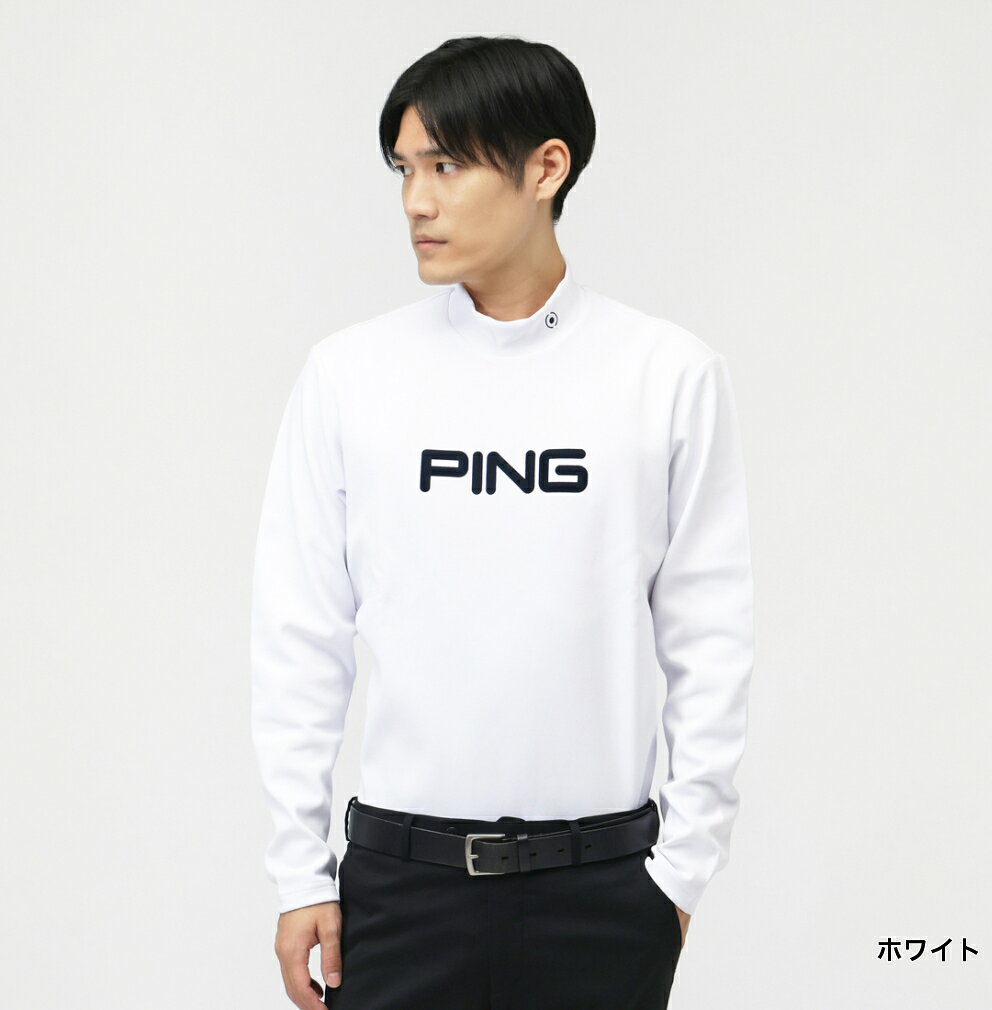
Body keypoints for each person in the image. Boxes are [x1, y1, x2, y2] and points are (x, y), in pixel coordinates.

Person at [250, 35, 755, 1010]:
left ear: (545, 168)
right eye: (404, 169)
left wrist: (680, 874)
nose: (416, 201)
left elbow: (710, 637)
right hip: (398, 891)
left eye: (445, 165)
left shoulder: (665, 375)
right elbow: (299, 635)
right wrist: (300, 872)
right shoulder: (351, 376)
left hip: (602, 892)